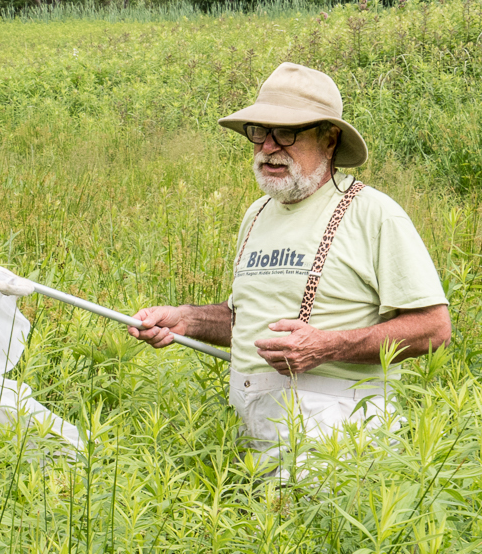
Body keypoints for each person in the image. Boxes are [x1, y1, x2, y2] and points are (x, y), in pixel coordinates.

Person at [129, 62, 451, 465]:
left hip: (337, 433)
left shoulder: (374, 213)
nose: (267, 147)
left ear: (329, 139)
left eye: (285, 133)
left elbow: (434, 328)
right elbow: (249, 322)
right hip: (248, 422)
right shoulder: (258, 214)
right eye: (259, 132)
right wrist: (186, 320)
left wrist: (326, 346)